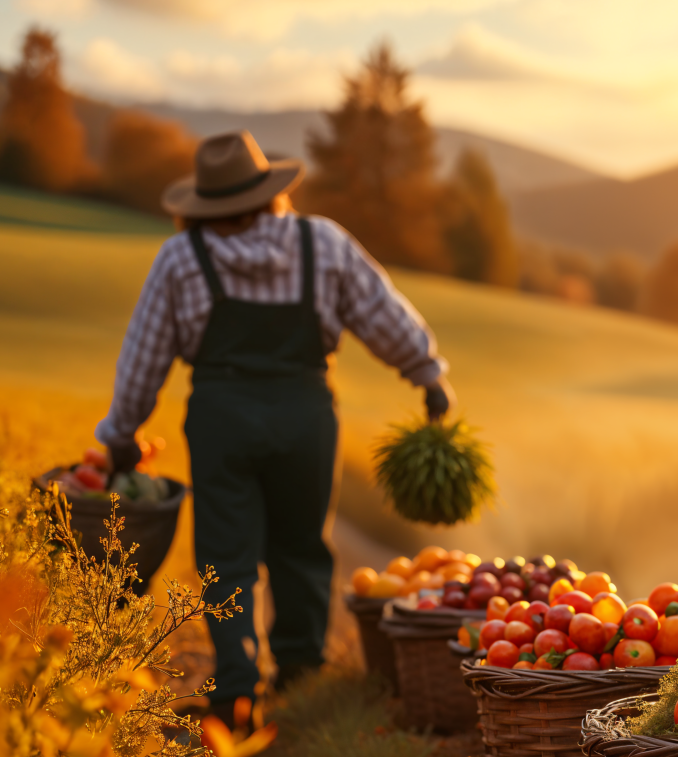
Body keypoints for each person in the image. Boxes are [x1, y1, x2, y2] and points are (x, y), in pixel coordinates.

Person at [96, 130, 452, 715]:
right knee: (302, 546)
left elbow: (144, 355)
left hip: (220, 416)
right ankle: (300, 678)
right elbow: (383, 313)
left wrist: (120, 436)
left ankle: (235, 688)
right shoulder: (323, 243)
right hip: (305, 414)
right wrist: (427, 373)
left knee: (226, 554)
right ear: (270, 192)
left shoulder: (183, 258)